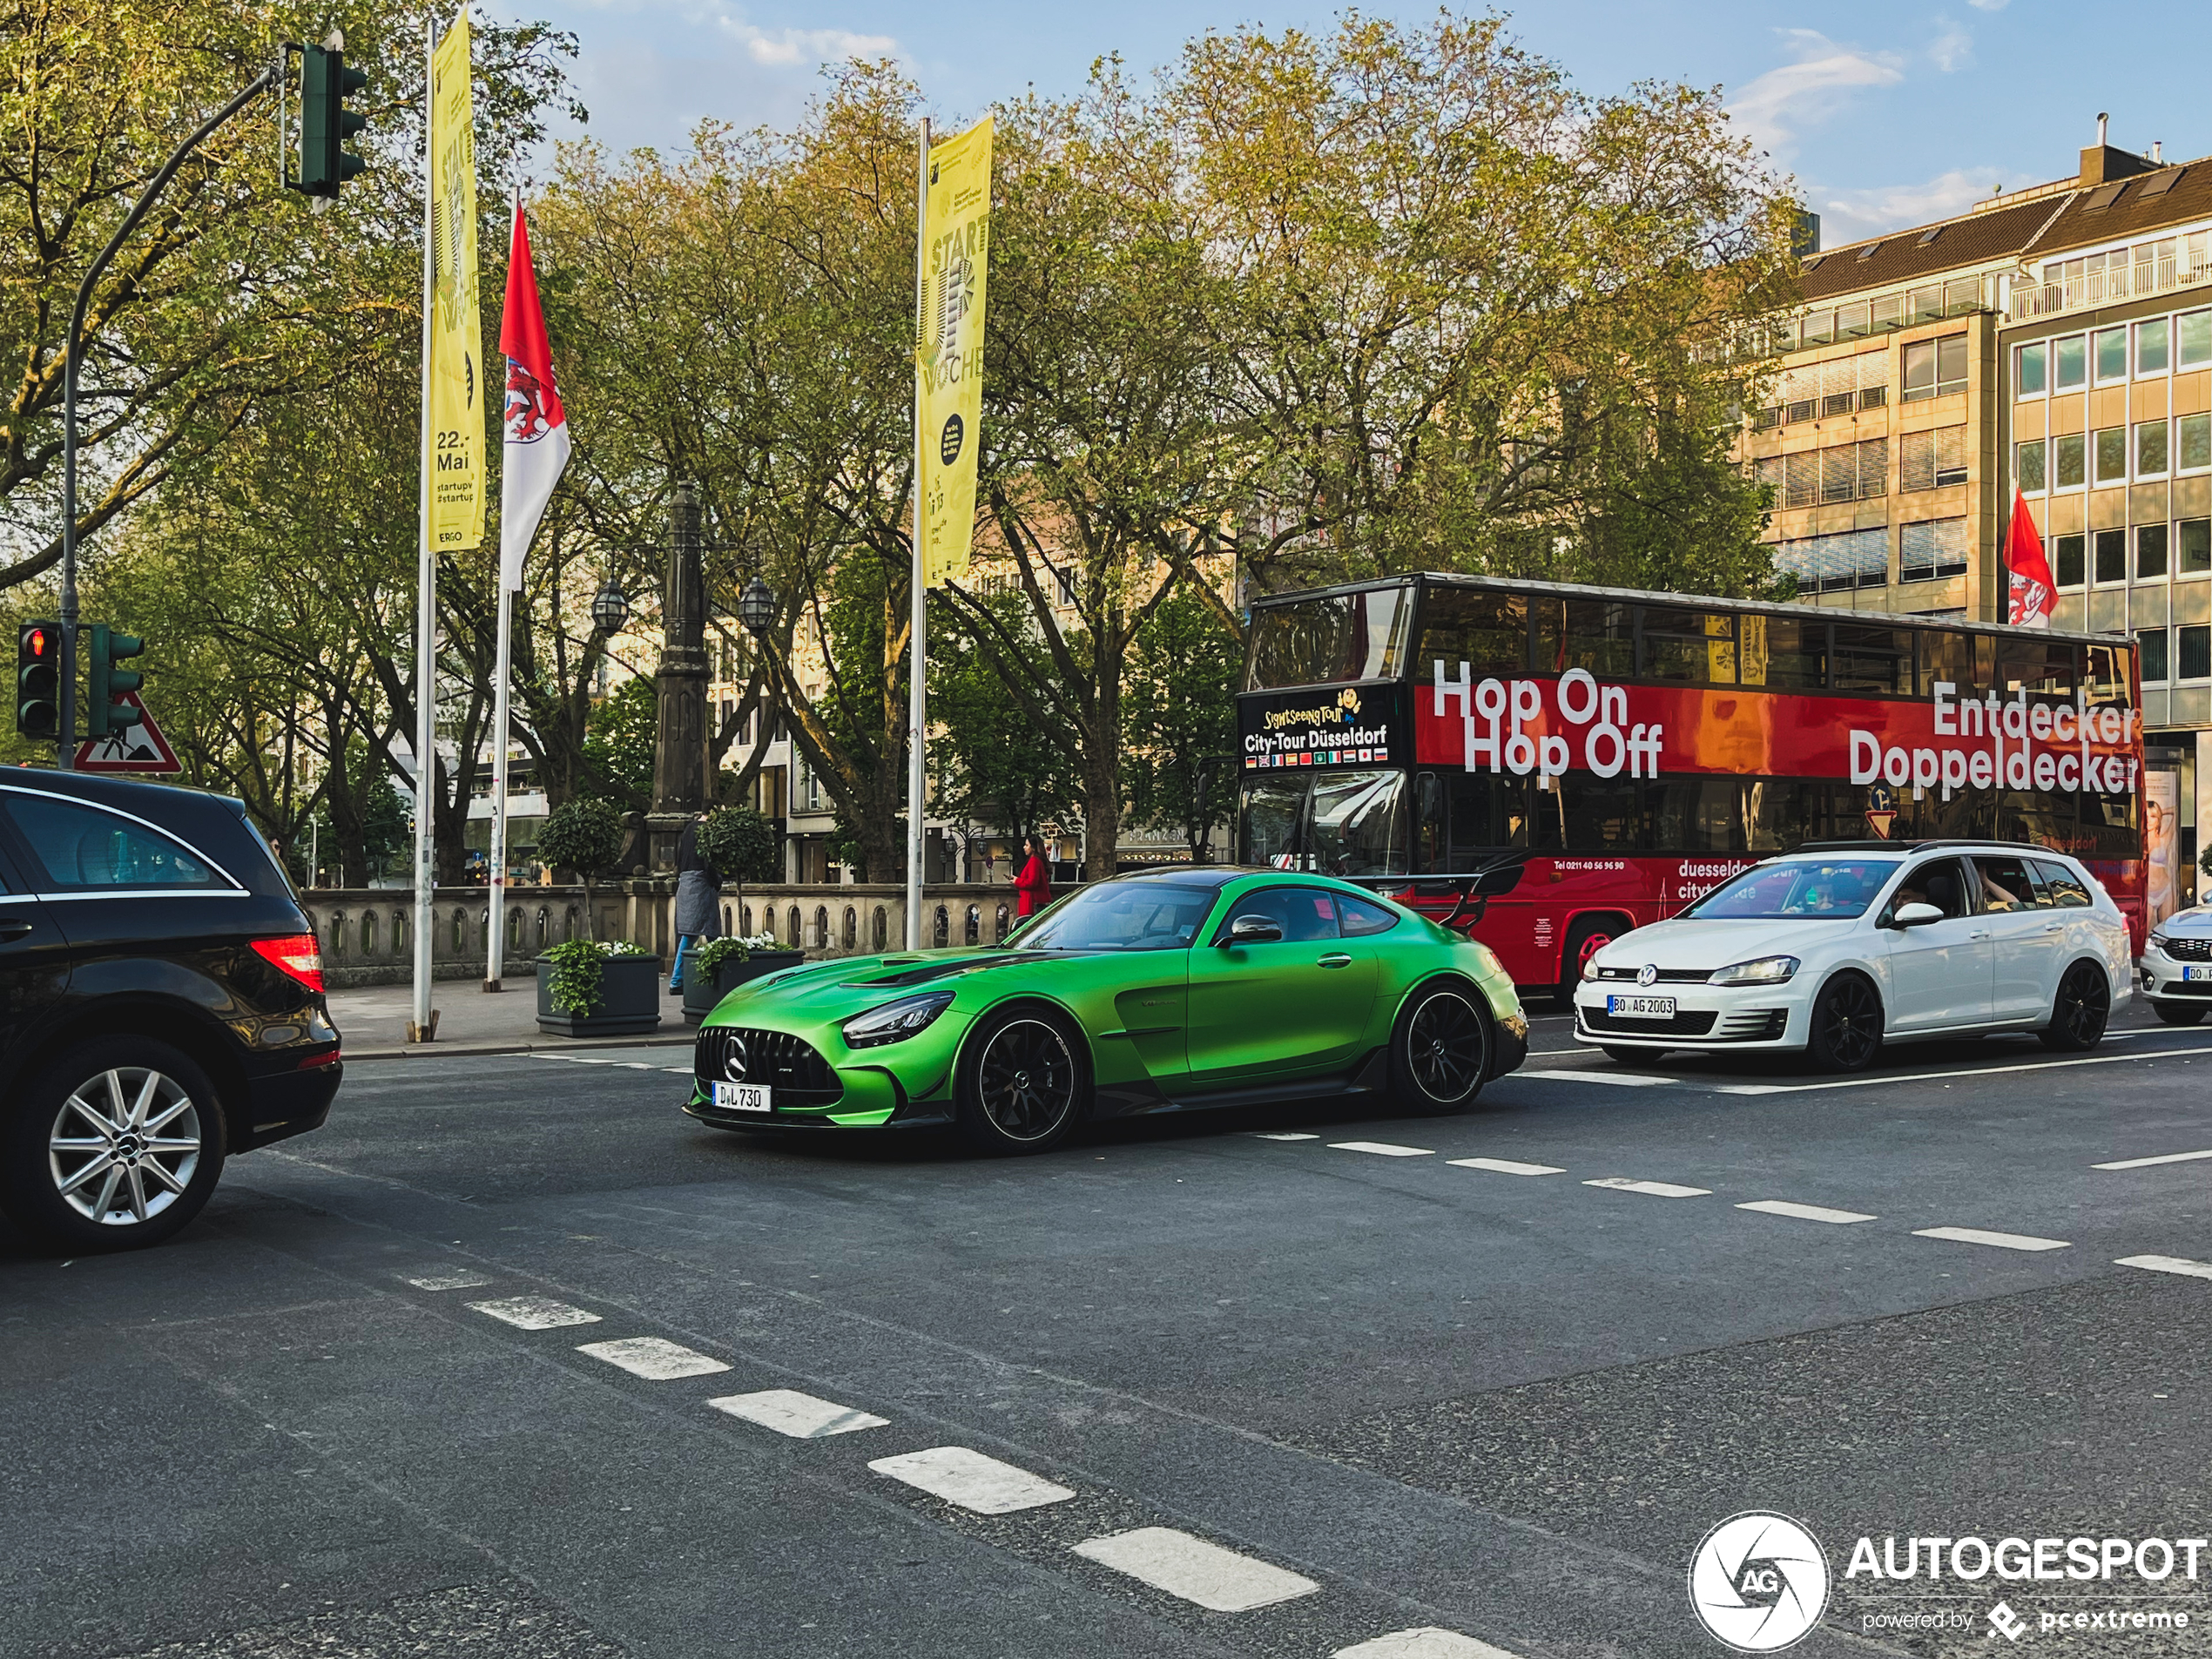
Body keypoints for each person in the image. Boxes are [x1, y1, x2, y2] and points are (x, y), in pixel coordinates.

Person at [670, 813, 723, 994]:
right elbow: (709, 862)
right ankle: (679, 980)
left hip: (686, 883)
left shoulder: (688, 829)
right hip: (701, 885)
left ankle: (679, 980)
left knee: (691, 933)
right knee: (702, 933)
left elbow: (679, 860)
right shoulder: (705, 830)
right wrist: (716, 880)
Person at [1012, 833, 1052, 920]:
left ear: (1033, 848)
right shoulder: (1037, 860)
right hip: (1034, 901)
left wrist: (1017, 881)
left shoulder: (1034, 861)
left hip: (1031, 903)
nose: (1024, 847)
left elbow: (1032, 882)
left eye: (1027, 845)